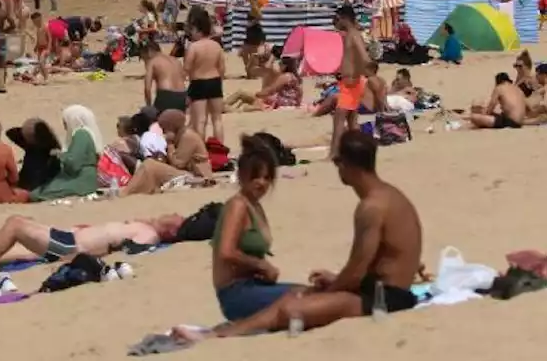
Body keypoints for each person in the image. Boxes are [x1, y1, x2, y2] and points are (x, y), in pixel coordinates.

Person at [178, 130, 423, 340]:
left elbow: (358, 270)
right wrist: (336, 280)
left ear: (347, 165)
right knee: (298, 298)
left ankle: (221, 335)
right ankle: (225, 331)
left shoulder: (371, 207)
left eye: (338, 162)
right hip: (384, 291)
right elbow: (371, 264)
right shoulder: (390, 196)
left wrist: (334, 287)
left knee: (292, 308)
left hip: (384, 299)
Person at [210, 133, 299, 321]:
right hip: (236, 293)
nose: (262, 183)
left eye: (267, 177)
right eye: (255, 176)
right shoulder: (238, 205)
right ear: (242, 176)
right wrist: (261, 265)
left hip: (253, 286)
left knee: (308, 293)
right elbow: (226, 252)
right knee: (304, 298)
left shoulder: (254, 206)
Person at [0, 213, 185, 269]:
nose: (173, 212)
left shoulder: (149, 235)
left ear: (172, 230)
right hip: (69, 239)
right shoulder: (146, 228)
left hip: (70, 247)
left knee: (14, 224)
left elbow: (130, 251)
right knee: (22, 223)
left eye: (176, 217)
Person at [121, 110, 213, 195]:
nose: (163, 131)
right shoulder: (181, 135)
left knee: (149, 165)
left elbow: (178, 163)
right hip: (186, 173)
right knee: (149, 165)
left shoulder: (188, 137)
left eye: (165, 128)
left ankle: (126, 193)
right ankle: (132, 190)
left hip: (196, 176)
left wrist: (169, 145)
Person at [29, 105, 100, 202]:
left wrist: (59, 155)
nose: (64, 125)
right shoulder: (83, 133)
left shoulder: (81, 134)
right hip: (82, 178)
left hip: (81, 180)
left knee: (36, 194)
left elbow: (73, 163)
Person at [333, 4, 370, 157]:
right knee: (352, 120)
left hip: (352, 83)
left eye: (338, 18)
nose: (336, 22)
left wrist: (362, 75)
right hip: (350, 81)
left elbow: (364, 57)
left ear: (344, 18)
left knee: (339, 119)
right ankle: (359, 152)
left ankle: (334, 154)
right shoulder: (351, 34)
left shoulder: (353, 35)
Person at [184, 8, 226, 141]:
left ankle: (201, 150)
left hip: (199, 83)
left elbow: (187, 68)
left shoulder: (194, 47)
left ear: (197, 29)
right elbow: (222, 68)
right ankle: (220, 148)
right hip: (215, 81)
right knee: (217, 119)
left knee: (200, 121)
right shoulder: (216, 46)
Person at [225, 56, 303, 112]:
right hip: (289, 102)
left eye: (280, 63)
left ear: (285, 65)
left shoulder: (286, 76)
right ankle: (225, 106)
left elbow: (271, 90)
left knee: (241, 93)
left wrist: (258, 94)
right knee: (248, 99)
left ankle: (222, 106)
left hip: (281, 103)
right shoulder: (294, 76)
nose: (279, 65)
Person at [6, 119, 61, 192]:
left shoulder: (33, 149)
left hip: (33, 186)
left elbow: (11, 132)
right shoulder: (51, 147)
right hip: (39, 185)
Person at [141, 39, 187, 113]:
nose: (145, 62)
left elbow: (147, 88)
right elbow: (183, 77)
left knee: (159, 122)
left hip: (166, 95)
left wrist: (149, 106)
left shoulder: (152, 61)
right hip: (183, 95)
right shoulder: (175, 60)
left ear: (149, 52)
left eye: (144, 58)